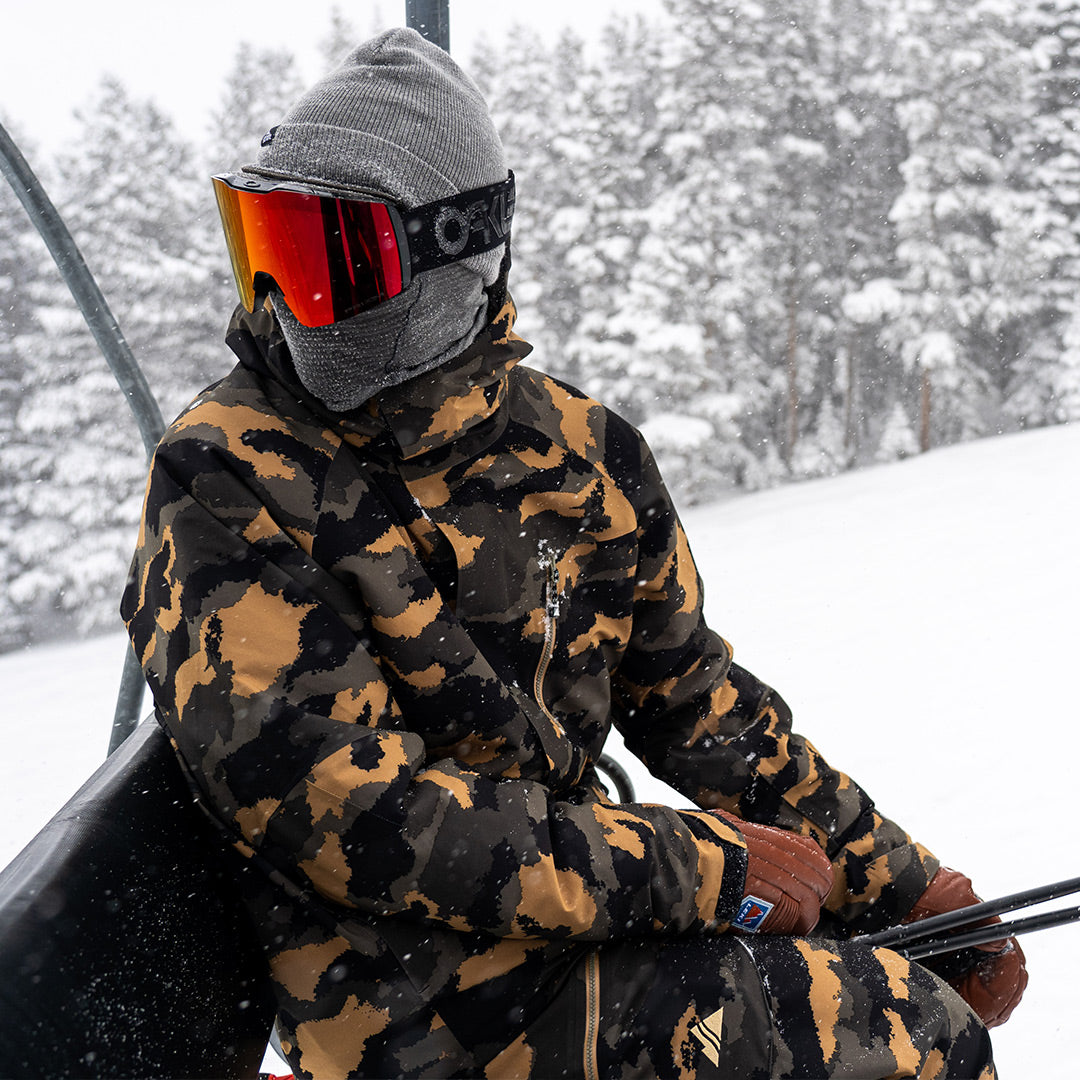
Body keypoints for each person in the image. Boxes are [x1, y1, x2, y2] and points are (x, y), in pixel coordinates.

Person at [122, 28, 1025, 1079]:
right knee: (905, 1037)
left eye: (325, 261)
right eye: (262, 245)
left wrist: (902, 885)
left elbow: (698, 704)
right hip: (415, 1007)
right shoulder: (231, 476)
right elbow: (342, 808)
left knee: (884, 977)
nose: (282, 299)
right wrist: (699, 871)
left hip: (581, 928)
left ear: (448, 251)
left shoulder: (575, 454)